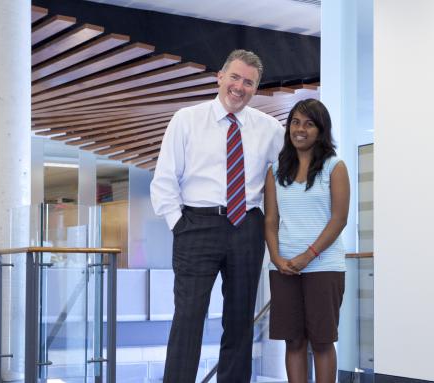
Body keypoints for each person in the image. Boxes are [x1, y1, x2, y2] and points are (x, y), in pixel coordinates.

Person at [150, 49, 284, 382]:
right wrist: (179, 225)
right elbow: (165, 180)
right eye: (235, 77)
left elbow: (291, 174)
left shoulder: (269, 129)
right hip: (196, 224)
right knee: (188, 318)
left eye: (249, 82)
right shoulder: (187, 119)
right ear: (220, 77)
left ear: (256, 89)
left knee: (239, 321)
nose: (240, 87)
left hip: (247, 228)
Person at [264, 99, 350, 383]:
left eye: (309, 124)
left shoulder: (334, 167)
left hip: (324, 267)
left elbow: (338, 220)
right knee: (293, 341)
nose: (300, 130)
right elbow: (271, 221)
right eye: (295, 123)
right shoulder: (276, 171)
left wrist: (308, 255)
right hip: (285, 268)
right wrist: (276, 258)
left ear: (320, 130)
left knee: (323, 341)